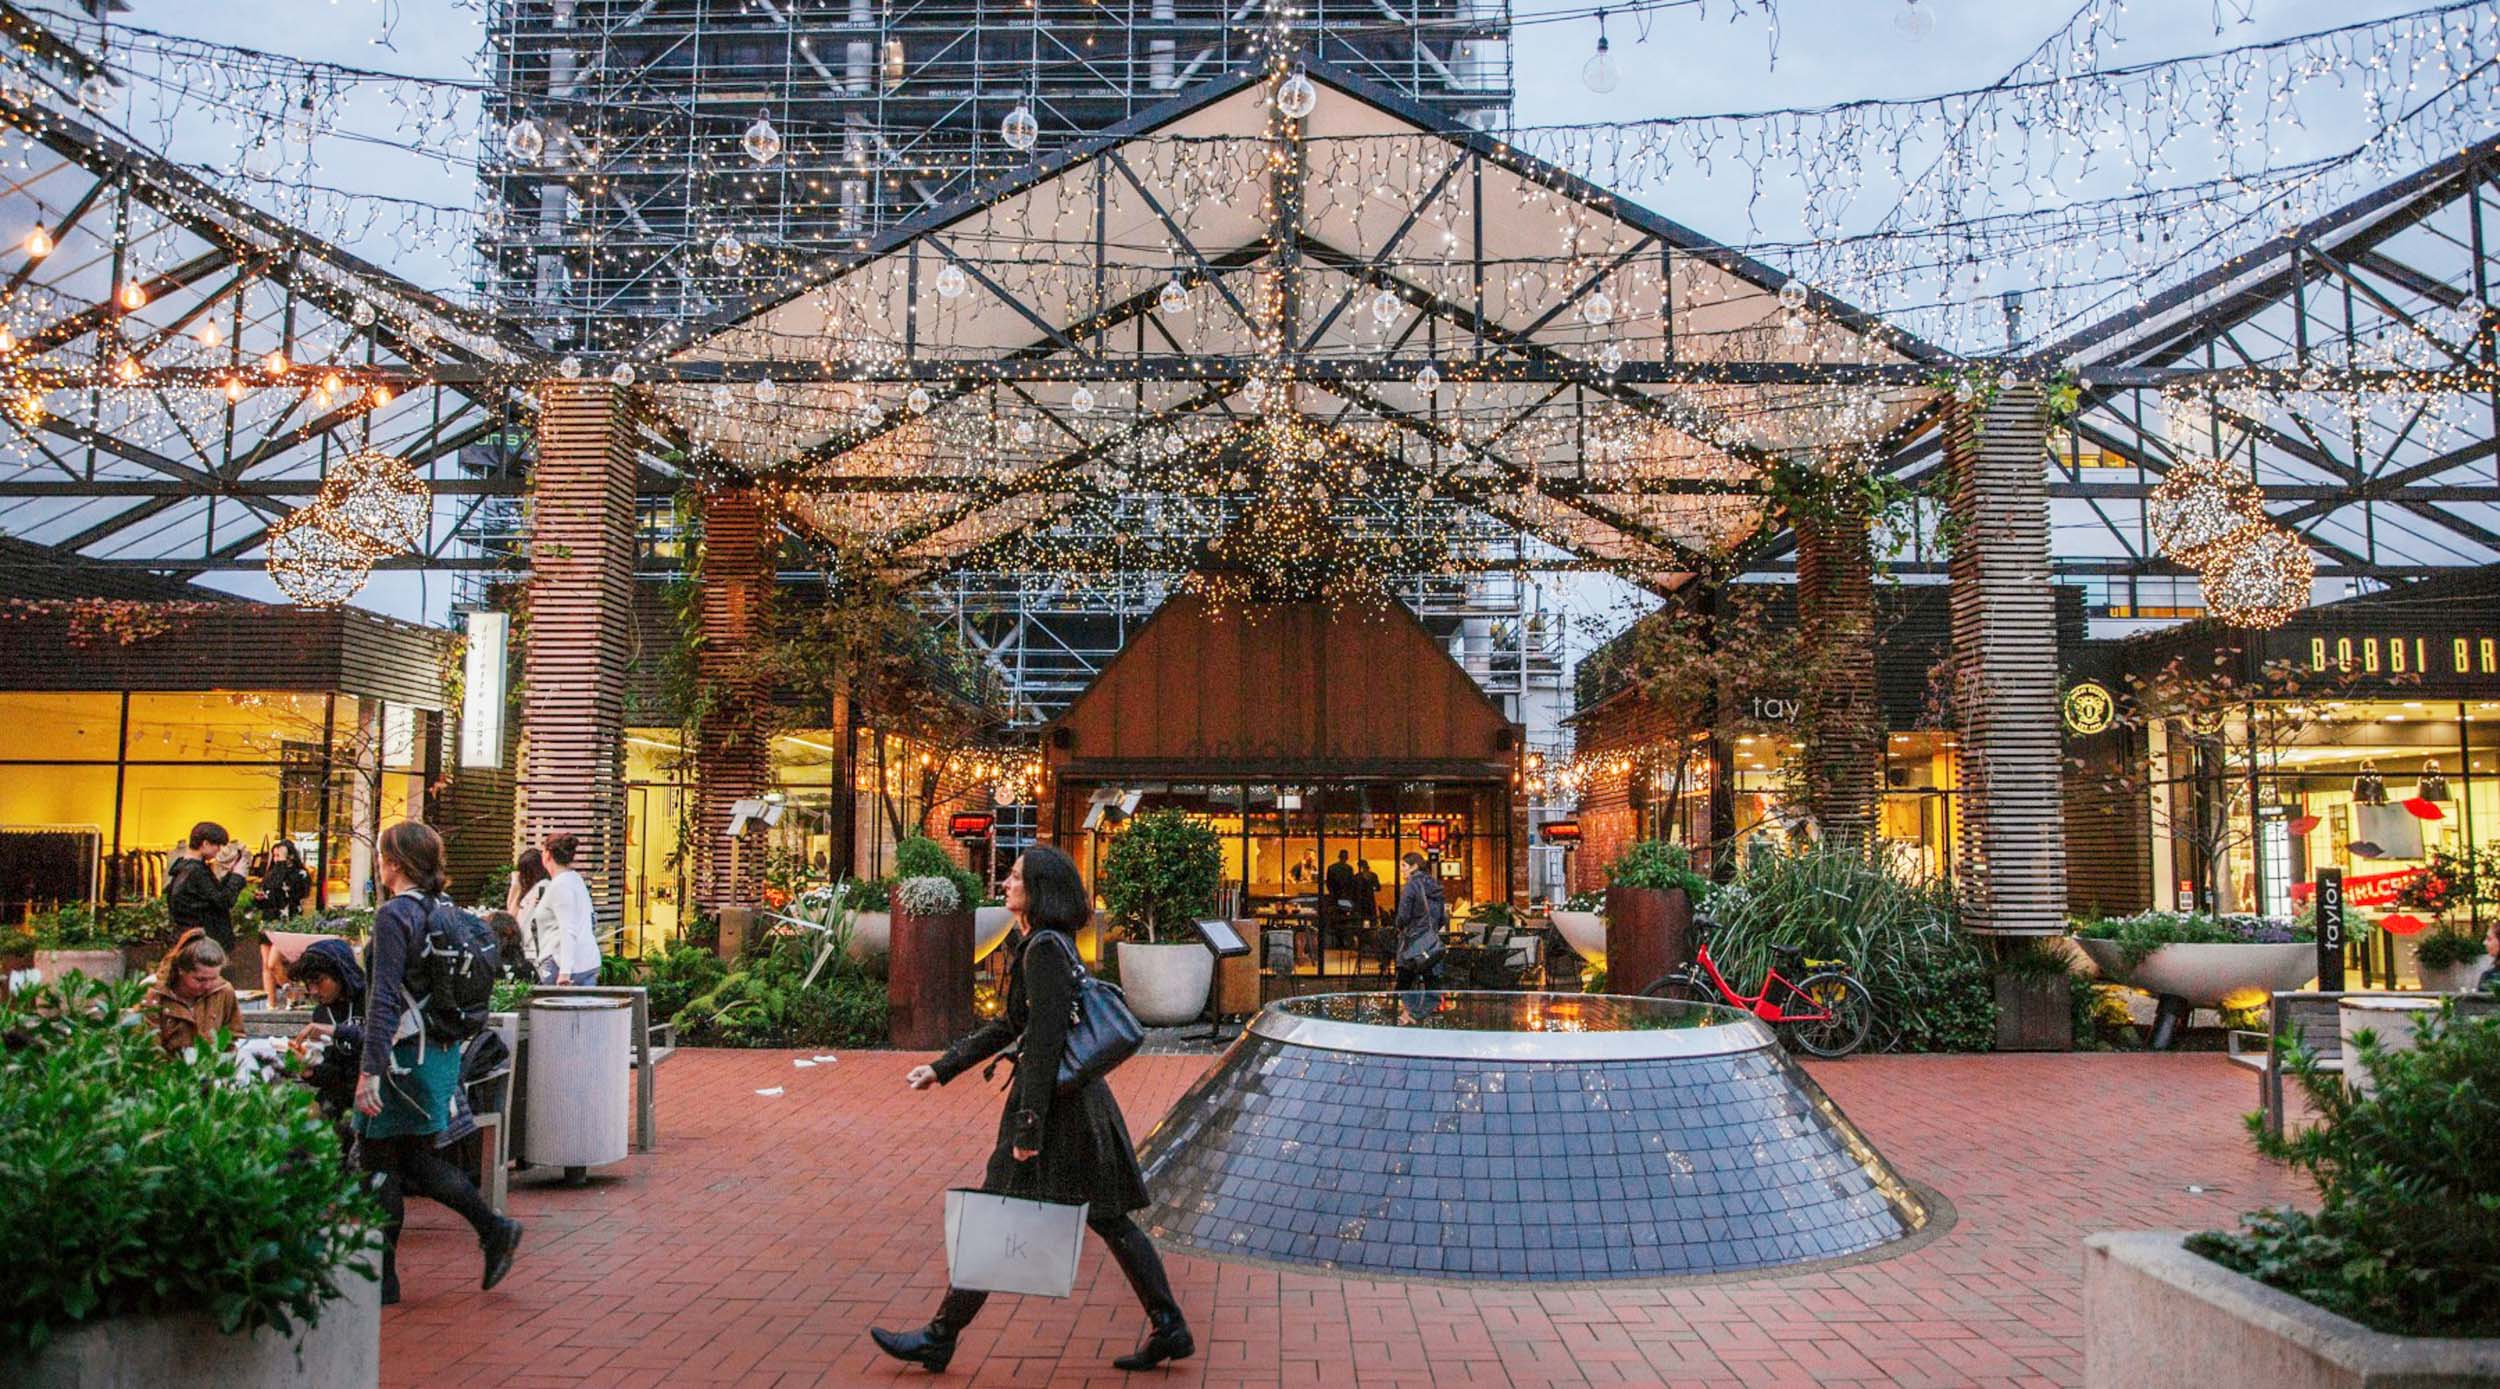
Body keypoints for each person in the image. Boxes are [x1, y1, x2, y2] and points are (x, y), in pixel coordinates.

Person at [870, 845, 1192, 1375]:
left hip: (1053, 1111)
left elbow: (1040, 1044)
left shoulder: (1043, 949)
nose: (1005, 883)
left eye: (1016, 877)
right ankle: (1169, 1325)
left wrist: (1027, 1127)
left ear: (1039, 890)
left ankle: (940, 1336)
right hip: (1078, 1107)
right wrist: (944, 1068)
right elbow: (1010, 1027)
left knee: (1003, 1213)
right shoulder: (1047, 944)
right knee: (1110, 1219)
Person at [355, 820, 523, 1306]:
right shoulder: (446, 912)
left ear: (394, 862)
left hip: (401, 1059)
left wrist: (369, 1069)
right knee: (414, 1157)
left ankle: (383, 1282)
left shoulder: (395, 917)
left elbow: (382, 998)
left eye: (384, 854)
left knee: (379, 1160)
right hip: (440, 1054)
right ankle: (492, 1228)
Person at [144, 928, 242, 1055]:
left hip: (211, 1069)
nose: (208, 985)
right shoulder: (155, 994)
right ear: (181, 970)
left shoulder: (223, 991)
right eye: (200, 980)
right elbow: (148, 1049)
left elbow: (231, 1039)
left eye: (214, 978)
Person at [166, 821, 249, 953]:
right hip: (202, 943)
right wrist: (237, 876)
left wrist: (230, 874)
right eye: (217, 845)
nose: (219, 850)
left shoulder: (184, 868)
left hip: (190, 939)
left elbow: (213, 895)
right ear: (205, 844)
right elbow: (222, 901)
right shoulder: (196, 871)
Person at [538, 834, 600, 986]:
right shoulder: (575, 879)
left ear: (547, 854)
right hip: (587, 959)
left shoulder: (560, 885)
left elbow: (568, 928)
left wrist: (565, 971)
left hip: (560, 963)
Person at [1392, 851, 1448, 993]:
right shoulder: (1435, 885)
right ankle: (1430, 1010)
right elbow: (1443, 917)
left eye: (1404, 865)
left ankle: (1400, 1010)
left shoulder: (1412, 886)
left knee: (1405, 979)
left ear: (1414, 866)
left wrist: (1398, 927)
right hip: (1431, 942)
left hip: (1413, 940)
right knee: (1431, 980)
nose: (1402, 869)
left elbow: (1403, 916)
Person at [504, 848, 558, 983]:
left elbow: (511, 919)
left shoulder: (542, 889)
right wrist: (516, 887)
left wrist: (516, 886)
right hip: (532, 953)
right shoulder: (533, 890)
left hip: (538, 954)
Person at [255, 840, 313, 921]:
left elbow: (289, 894)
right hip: (269, 918)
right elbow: (266, 894)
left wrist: (281, 864)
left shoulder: (300, 874)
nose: (276, 860)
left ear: (291, 856)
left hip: (290, 917)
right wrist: (260, 898)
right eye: (274, 856)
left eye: (279, 856)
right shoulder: (271, 873)